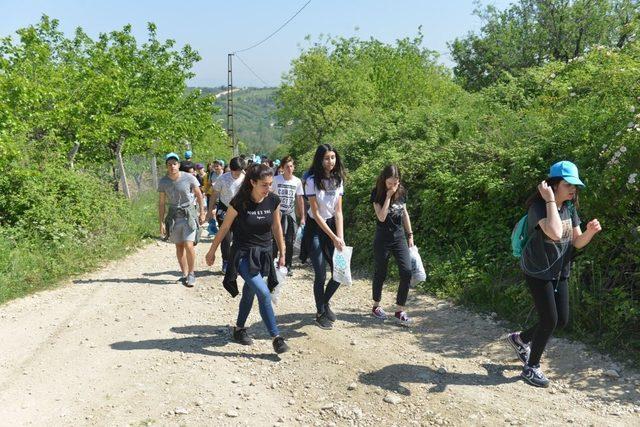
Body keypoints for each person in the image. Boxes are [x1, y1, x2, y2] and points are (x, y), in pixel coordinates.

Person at [507, 161, 602, 388]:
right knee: (550, 319)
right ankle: (531, 367)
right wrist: (550, 200)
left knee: (561, 320)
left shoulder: (569, 208)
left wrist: (589, 232)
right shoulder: (539, 208)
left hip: (560, 271)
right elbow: (556, 232)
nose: (573, 189)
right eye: (568, 184)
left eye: (575, 186)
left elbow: (577, 242)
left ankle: (519, 339)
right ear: (553, 185)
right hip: (538, 270)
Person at [205, 163, 290, 354]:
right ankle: (276, 337)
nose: (268, 189)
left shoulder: (273, 200)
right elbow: (225, 228)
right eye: (264, 185)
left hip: (265, 254)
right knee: (263, 293)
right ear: (252, 182)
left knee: (250, 292)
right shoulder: (239, 202)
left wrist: (283, 251)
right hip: (243, 255)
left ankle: (239, 329)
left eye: (270, 184)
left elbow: (277, 227)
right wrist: (212, 251)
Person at [302, 144, 346, 329]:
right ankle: (320, 312)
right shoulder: (312, 180)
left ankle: (324, 302)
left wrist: (340, 236)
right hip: (315, 228)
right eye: (327, 158)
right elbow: (316, 212)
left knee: (340, 271)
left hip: (332, 227)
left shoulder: (338, 179)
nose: (330, 162)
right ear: (320, 160)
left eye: (333, 157)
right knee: (320, 273)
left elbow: (338, 211)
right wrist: (333, 237)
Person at [370, 165, 415, 326]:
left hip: (399, 237)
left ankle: (399, 310)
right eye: (390, 183)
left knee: (407, 271)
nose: (393, 186)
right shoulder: (377, 192)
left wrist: (410, 234)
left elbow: (404, 213)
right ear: (384, 180)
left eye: (396, 183)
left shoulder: (402, 191)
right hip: (382, 238)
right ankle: (376, 306)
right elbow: (381, 217)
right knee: (380, 272)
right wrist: (388, 196)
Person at [158, 152, 206, 287]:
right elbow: (161, 203)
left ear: (178, 164)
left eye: (174, 163)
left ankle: (191, 273)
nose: (172, 166)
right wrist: (161, 222)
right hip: (174, 216)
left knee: (189, 245)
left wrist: (202, 212)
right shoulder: (163, 182)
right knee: (179, 246)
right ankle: (184, 273)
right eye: (169, 164)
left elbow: (199, 195)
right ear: (166, 166)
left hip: (188, 215)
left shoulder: (189, 178)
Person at [209, 157, 246, 273]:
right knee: (225, 236)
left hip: (240, 210)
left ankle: (238, 261)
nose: (236, 173)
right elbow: (214, 194)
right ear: (230, 169)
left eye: (239, 171)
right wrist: (210, 210)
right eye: (234, 170)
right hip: (224, 209)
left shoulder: (245, 179)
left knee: (239, 237)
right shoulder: (223, 178)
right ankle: (226, 261)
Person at [271, 156, 305, 275]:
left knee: (290, 241)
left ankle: (288, 265)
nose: (290, 169)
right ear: (282, 168)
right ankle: (273, 264)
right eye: (287, 167)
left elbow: (299, 198)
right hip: (277, 213)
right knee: (275, 239)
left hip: (290, 213)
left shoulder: (297, 181)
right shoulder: (275, 180)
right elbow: (268, 196)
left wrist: (303, 217)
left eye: (291, 166)